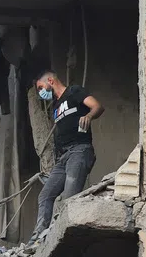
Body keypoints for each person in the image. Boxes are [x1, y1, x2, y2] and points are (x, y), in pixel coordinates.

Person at [32, 71, 105, 240]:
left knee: (69, 196)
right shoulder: (56, 106)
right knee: (45, 195)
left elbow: (97, 107)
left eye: (41, 87)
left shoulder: (74, 92)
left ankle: (63, 238)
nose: (41, 92)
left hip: (79, 150)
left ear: (50, 80)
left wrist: (88, 116)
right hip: (63, 157)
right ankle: (38, 238)